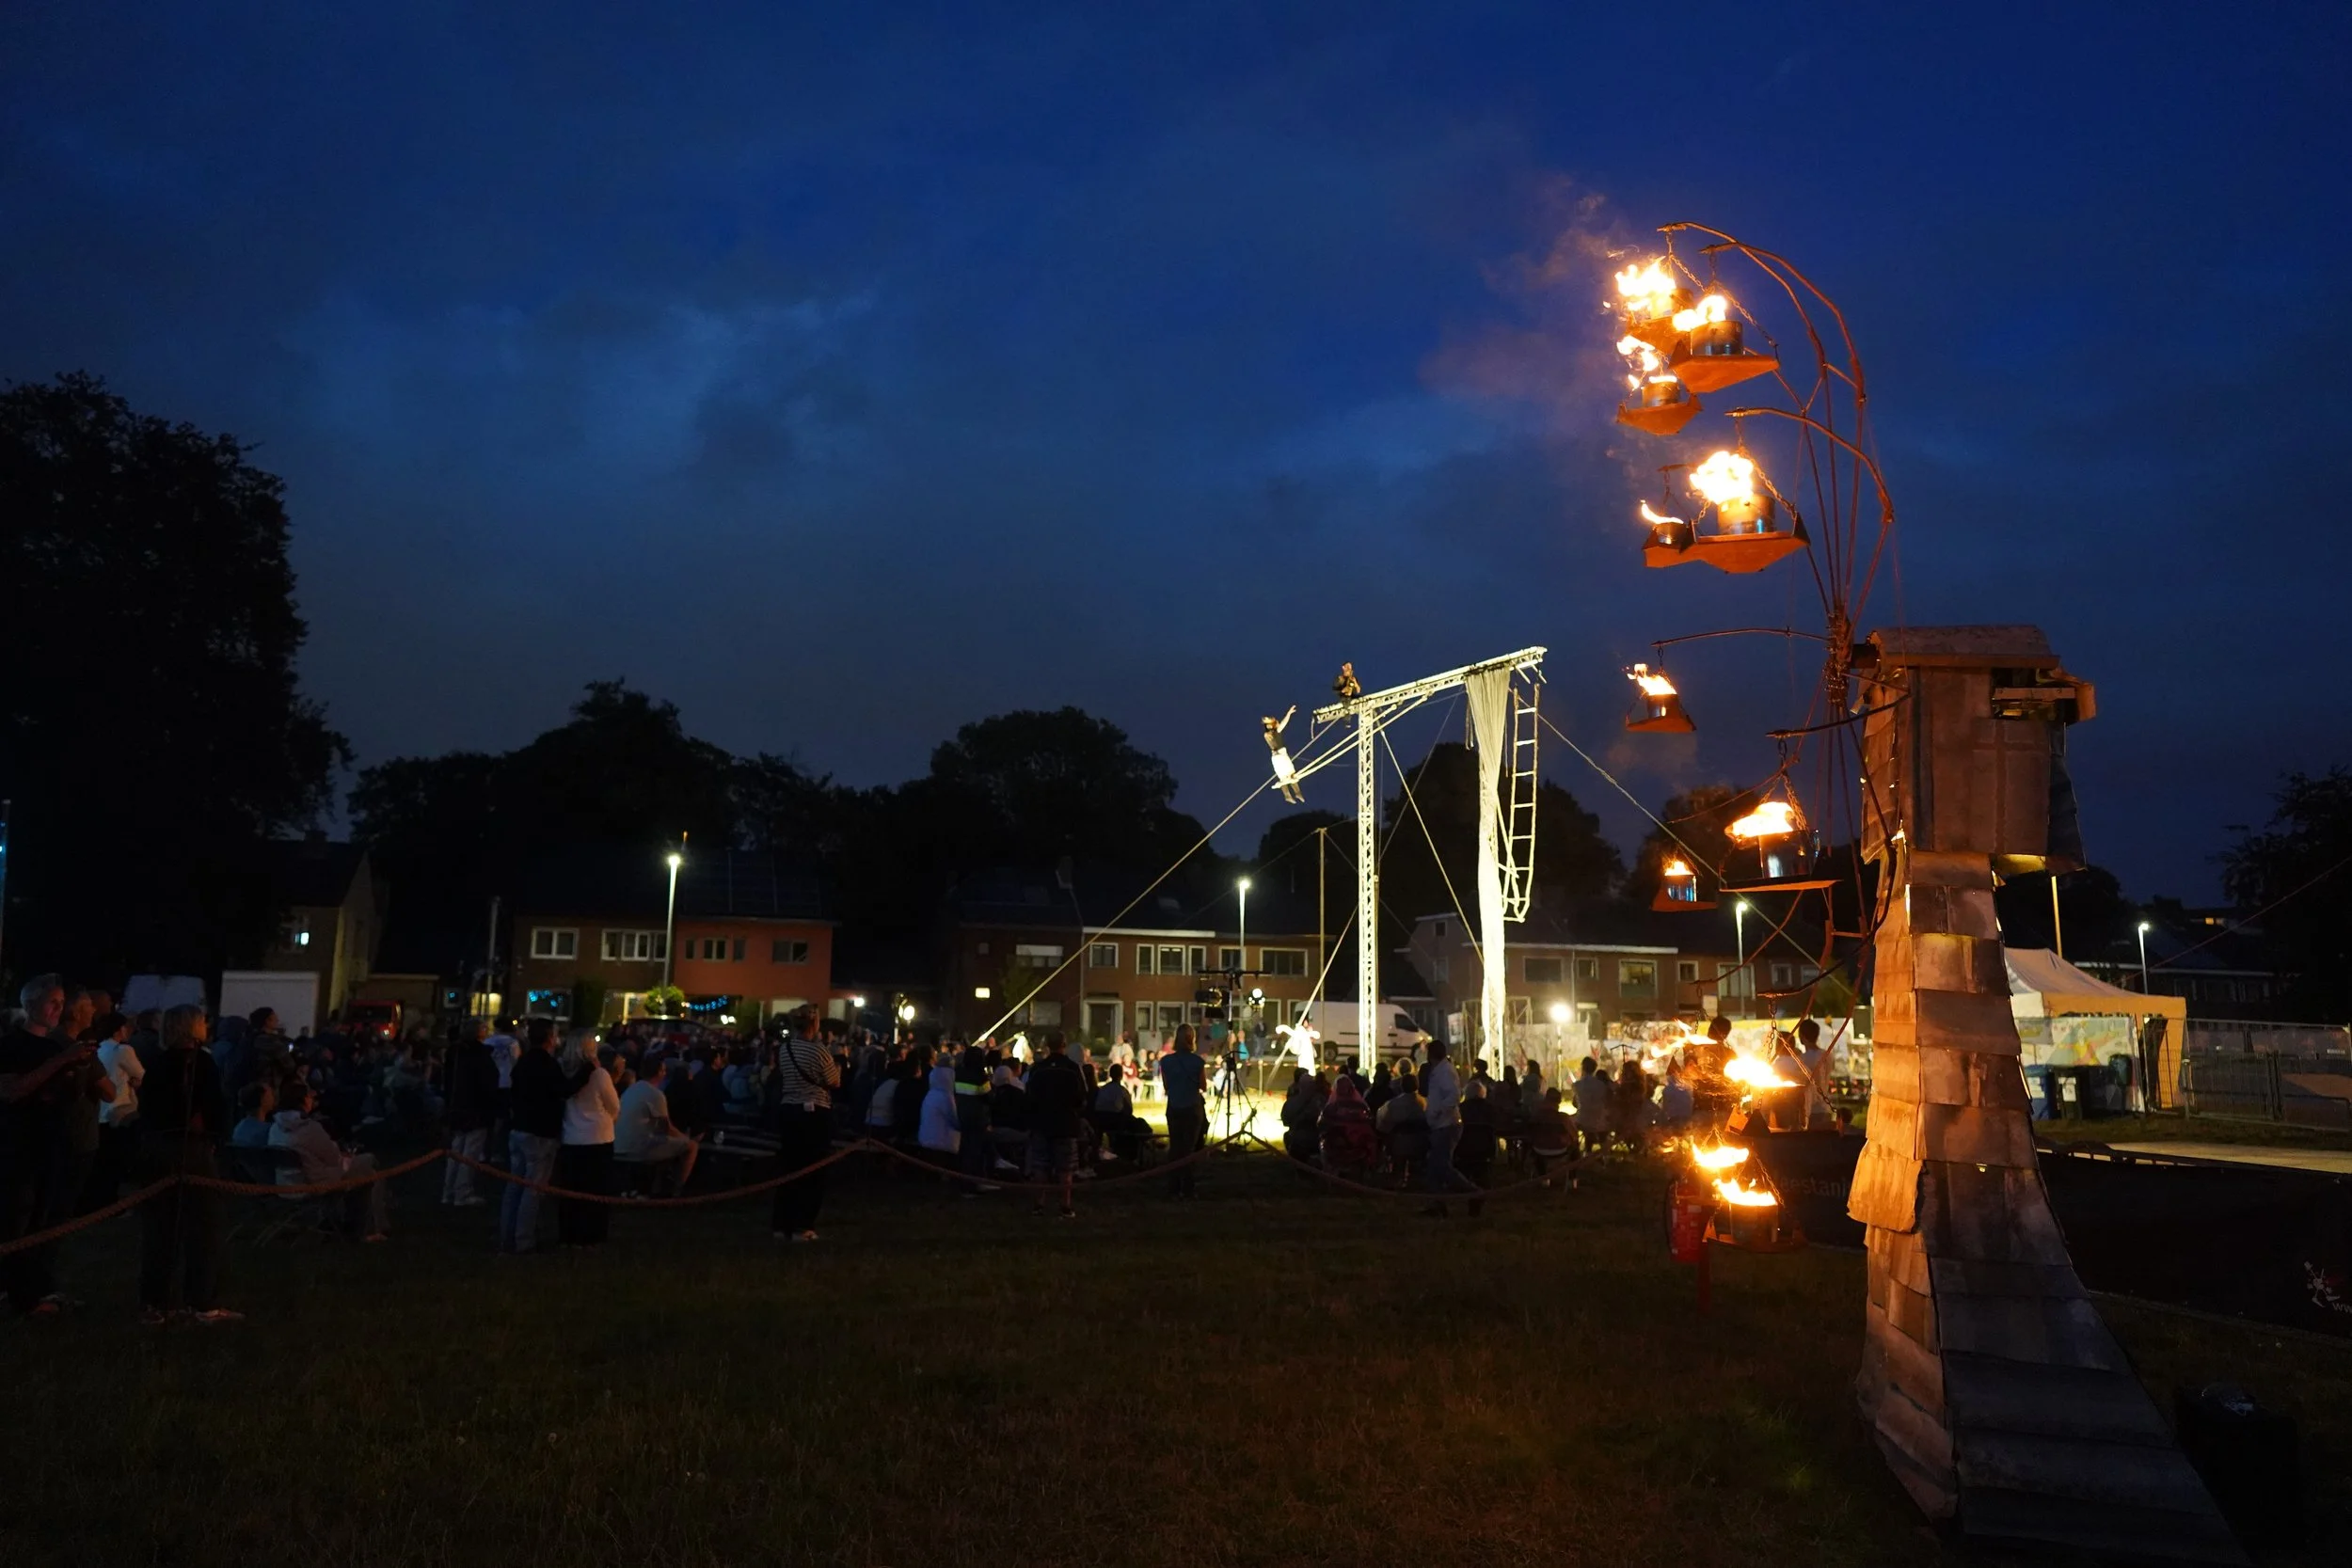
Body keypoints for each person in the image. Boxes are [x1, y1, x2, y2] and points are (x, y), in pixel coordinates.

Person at [135, 1005, 237, 1323]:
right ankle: (201, 1300)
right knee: (204, 1224)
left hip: (157, 1148)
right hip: (190, 1149)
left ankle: (158, 1301)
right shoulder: (201, 1063)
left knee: (161, 1227)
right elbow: (213, 1106)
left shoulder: (157, 1061)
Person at [1, 974, 90, 1316]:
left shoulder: (56, 1048)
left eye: (60, 1001)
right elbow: (13, 1090)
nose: (57, 1008)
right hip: (17, 1147)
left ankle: (35, 1289)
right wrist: (61, 1062)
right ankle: (13, 1291)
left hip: (52, 1145)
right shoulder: (11, 1046)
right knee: (16, 1221)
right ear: (29, 1005)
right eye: (51, 1001)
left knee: (45, 1221)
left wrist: (78, 1069)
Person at [271, 1080, 389, 1242]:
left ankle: (354, 1222)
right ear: (303, 1100)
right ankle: (371, 1228)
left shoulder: (275, 1128)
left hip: (287, 1183)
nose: (312, 1099)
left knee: (366, 1172)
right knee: (370, 1167)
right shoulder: (309, 1128)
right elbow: (334, 1158)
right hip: (316, 1182)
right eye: (309, 1096)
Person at [770, 1007, 840, 1243]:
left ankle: (781, 1224)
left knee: (789, 1167)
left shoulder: (785, 1049)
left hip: (788, 1109)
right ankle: (803, 1225)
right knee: (813, 1170)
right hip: (814, 1113)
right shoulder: (819, 1051)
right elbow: (833, 1080)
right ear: (814, 1024)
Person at [500, 1020, 565, 1255]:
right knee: (532, 1188)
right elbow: (563, 1090)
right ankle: (524, 1240)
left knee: (515, 1186)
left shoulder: (523, 1062)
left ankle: (507, 1235)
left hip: (519, 1128)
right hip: (540, 1133)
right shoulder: (548, 1064)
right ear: (549, 1037)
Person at [556, 1034, 620, 1246]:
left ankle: (570, 1232)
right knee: (596, 1190)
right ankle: (593, 1234)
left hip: (571, 1137)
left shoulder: (562, 1071)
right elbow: (614, 1105)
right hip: (597, 1138)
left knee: (572, 1190)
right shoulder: (599, 1074)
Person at [1023, 1031, 1087, 1218]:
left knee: (1040, 1166)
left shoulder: (1037, 1069)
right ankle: (1065, 1205)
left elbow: (1029, 1096)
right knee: (1065, 1168)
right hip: (1065, 1124)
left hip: (1041, 1123)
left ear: (1048, 1046)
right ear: (1064, 1044)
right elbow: (1081, 1097)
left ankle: (1039, 1204)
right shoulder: (1072, 1068)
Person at [615, 1057, 700, 1196]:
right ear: (659, 1072)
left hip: (619, 1144)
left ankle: (657, 1187)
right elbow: (668, 1128)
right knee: (691, 1147)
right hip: (638, 1147)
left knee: (666, 1143)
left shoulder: (632, 1089)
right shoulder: (655, 1094)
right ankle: (678, 1191)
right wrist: (685, 1138)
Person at [1420, 1040, 1482, 1217]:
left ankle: (1474, 1193)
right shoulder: (1442, 1071)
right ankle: (1438, 1204)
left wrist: (1437, 1113)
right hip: (1443, 1124)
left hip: (1445, 1125)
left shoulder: (1444, 1072)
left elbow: (1454, 1095)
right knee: (1436, 1167)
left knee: (1441, 1166)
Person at [88, 1011, 144, 1208]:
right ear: (120, 1029)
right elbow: (141, 1074)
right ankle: (110, 1203)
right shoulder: (123, 1050)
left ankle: (98, 1202)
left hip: (101, 1111)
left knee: (102, 1160)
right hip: (121, 1111)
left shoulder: (100, 1049)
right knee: (116, 1161)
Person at [440, 1022, 499, 1209]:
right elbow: (488, 1083)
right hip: (476, 1109)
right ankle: (462, 1192)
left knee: (456, 1150)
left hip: (457, 1107)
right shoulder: (481, 1055)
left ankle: (448, 1191)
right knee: (469, 1152)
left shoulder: (455, 1054)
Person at [1158, 1024, 1208, 1198]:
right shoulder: (1198, 1062)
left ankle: (1173, 1185)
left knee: (1176, 1147)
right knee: (1188, 1149)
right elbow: (1203, 1086)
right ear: (1191, 1039)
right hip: (1192, 1108)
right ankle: (1187, 1187)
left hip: (1174, 1107)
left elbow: (1166, 1086)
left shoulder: (1165, 1062)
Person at [952, 1043, 997, 1194]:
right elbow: (989, 1098)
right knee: (976, 1153)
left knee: (965, 1151)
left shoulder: (958, 1073)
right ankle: (974, 1185)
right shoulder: (980, 1077)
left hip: (962, 1116)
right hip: (978, 1119)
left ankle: (963, 1183)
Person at [1318, 1073, 1378, 1177]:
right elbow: (1371, 1122)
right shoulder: (1361, 1107)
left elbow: (1321, 1125)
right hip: (1358, 1148)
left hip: (1338, 1149)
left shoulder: (1331, 1108)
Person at [917, 1049, 961, 1161]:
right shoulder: (946, 1097)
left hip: (926, 1139)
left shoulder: (930, 1094)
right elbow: (955, 1121)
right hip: (941, 1144)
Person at [1529, 1088, 1576, 1186]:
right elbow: (1574, 1136)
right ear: (1559, 1102)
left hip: (1539, 1150)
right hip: (1561, 1151)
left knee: (1537, 1151)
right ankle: (1572, 1179)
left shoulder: (1536, 1116)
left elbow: (1530, 1134)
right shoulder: (1563, 1118)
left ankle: (1543, 1178)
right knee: (1575, 1149)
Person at [1279, 1066, 1325, 1162]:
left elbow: (1285, 1120)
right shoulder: (1322, 1100)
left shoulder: (1293, 1102)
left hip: (1300, 1141)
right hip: (1318, 1140)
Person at [1570, 1056, 1613, 1157]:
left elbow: (1575, 1103)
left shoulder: (1576, 1085)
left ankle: (1577, 1153)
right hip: (1599, 1120)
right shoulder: (1601, 1085)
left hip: (1582, 1120)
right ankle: (1603, 1155)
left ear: (1583, 1068)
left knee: (1570, 1122)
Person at [230, 1083, 277, 1149]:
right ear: (262, 1099)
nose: (273, 1097)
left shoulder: (238, 1128)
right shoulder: (269, 1131)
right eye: (270, 1095)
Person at [1656, 1063, 1694, 1132]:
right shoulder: (1688, 1086)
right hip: (1687, 1119)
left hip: (1675, 1120)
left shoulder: (1667, 1089)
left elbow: (1665, 1108)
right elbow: (1691, 1103)